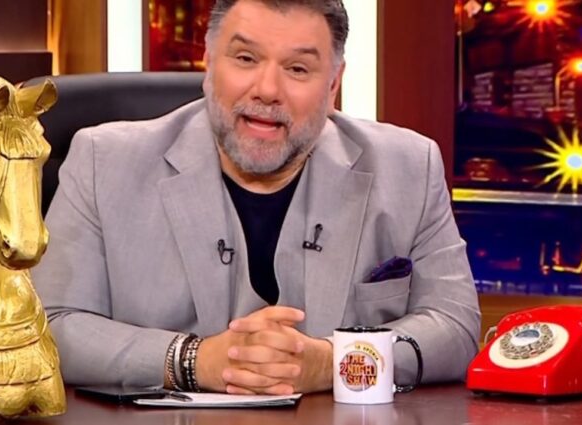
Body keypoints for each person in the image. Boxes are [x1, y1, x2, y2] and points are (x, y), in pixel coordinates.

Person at [33, 0, 480, 395]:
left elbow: (455, 328)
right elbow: (48, 327)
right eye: (245, 58)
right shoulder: (104, 162)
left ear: (333, 85)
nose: (267, 89)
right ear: (210, 63)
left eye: (298, 69)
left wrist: (334, 362)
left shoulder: (408, 167)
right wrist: (193, 361)